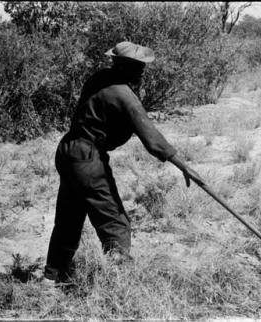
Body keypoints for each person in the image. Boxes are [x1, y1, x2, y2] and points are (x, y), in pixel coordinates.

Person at [43, 41, 203, 283]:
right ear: (122, 65)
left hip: (68, 152)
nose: (141, 72)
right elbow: (153, 139)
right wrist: (185, 167)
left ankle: (51, 277)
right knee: (115, 224)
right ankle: (119, 284)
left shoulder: (99, 78)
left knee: (69, 218)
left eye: (142, 67)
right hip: (87, 158)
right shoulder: (123, 94)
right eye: (136, 67)